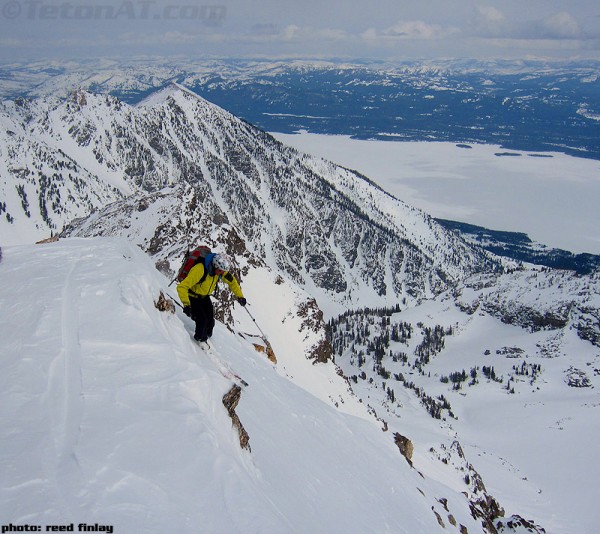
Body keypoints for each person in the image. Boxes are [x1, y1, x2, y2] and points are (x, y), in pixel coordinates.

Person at [176, 252, 246, 345]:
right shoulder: (200, 269)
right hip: (193, 297)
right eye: (220, 271)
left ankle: (206, 338)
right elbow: (182, 287)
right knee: (202, 321)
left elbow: (232, 281)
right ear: (215, 265)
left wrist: (240, 296)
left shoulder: (219, 271)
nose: (222, 273)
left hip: (204, 297)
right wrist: (186, 304)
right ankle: (199, 342)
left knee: (210, 323)